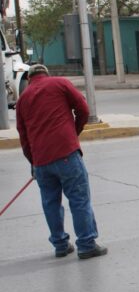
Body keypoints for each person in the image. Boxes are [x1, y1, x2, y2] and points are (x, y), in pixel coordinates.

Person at [16, 64, 108, 260]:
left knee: (50, 203)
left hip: (41, 160)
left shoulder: (23, 98)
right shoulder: (60, 83)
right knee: (79, 198)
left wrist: (33, 162)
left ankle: (60, 245)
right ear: (46, 74)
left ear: (30, 79)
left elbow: (23, 135)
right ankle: (86, 245)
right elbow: (83, 109)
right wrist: (73, 133)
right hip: (66, 153)